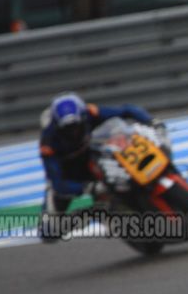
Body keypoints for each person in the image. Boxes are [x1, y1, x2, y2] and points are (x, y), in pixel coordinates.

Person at [38, 91, 164, 242]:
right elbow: (58, 184)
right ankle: (96, 214)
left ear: (82, 117)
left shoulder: (90, 112)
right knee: (49, 233)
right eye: (67, 128)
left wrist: (151, 121)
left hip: (94, 159)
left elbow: (127, 110)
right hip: (71, 176)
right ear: (57, 126)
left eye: (76, 125)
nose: (73, 131)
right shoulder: (48, 143)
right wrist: (87, 188)